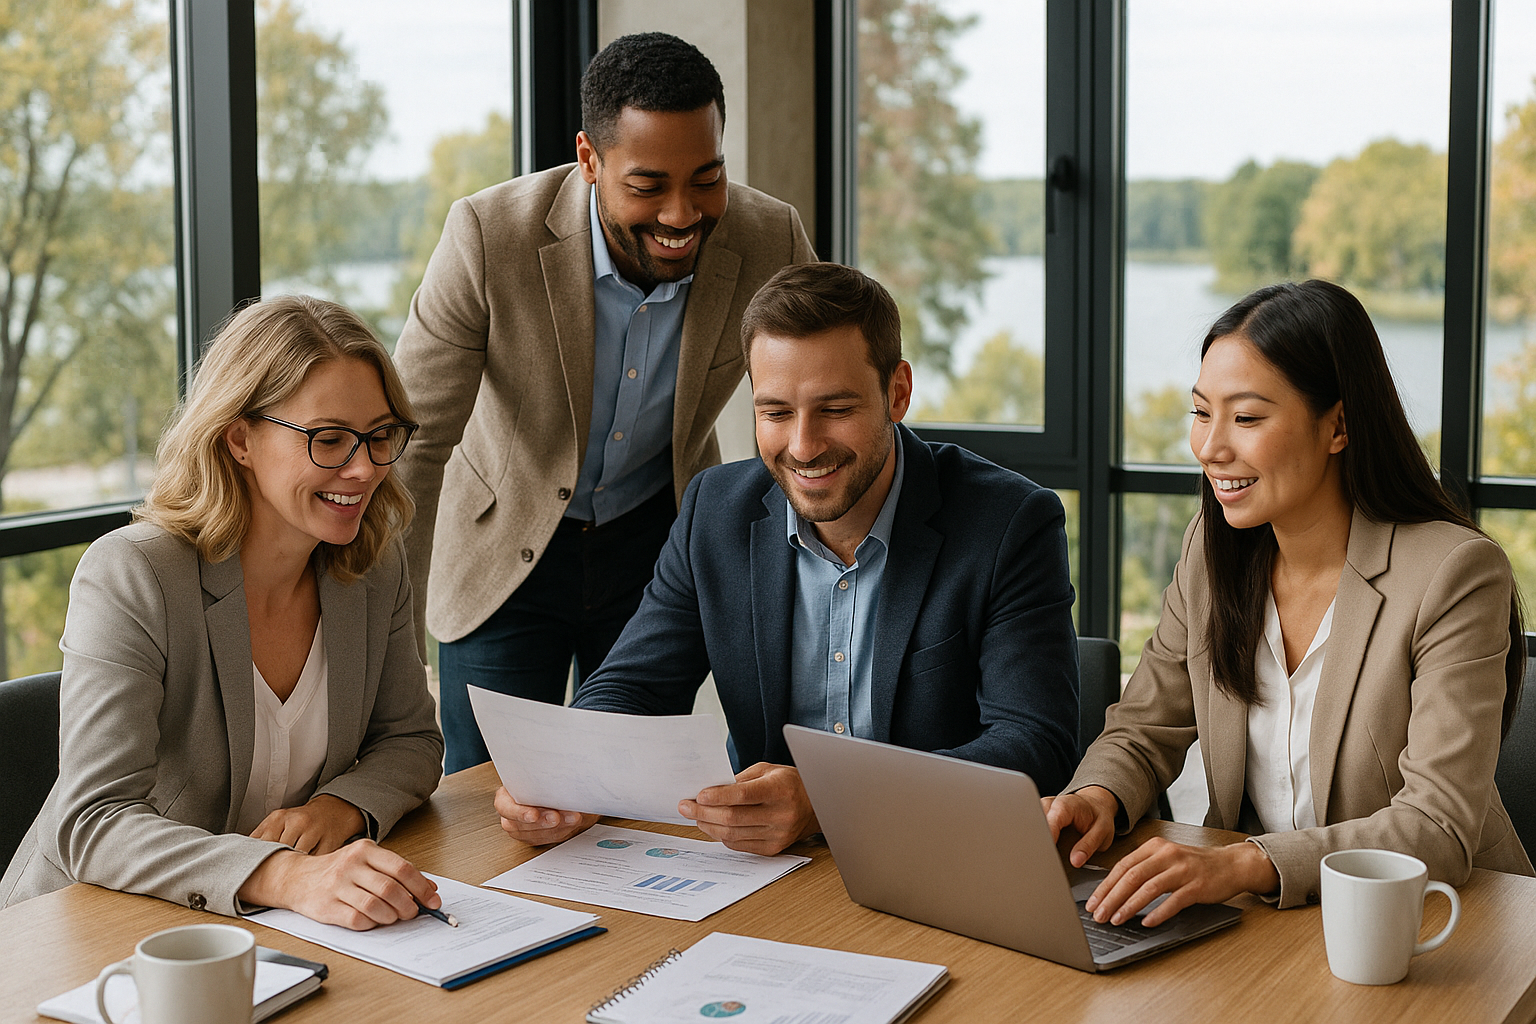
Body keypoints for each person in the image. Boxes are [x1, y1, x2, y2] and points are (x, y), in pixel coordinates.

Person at [494, 263, 1081, 856]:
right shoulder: (714, 511)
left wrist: (828, 800)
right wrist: (561, 776)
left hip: (935, 858)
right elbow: (635, 685)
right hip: (764, 872)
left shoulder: (1008, 522)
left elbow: (1033, 745)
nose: (802, 446)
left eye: (835, 409)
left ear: (897, 392)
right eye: (775, 413)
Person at [1046, 279, 1534, 928]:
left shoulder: (1454, 574)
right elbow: (1145, 726)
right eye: (1201, 412)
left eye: (1246, 418)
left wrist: (1245, 864)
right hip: (1276, 926)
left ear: (1337, 426)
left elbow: (1437, 824)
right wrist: (1096, 795)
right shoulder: (1212, 550)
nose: (1211, 447)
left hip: (1443, 923)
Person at [393, 32, 817, 773]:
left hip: (654, 544)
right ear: (589, 159)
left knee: (630, 790)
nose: (683, 215)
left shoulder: (769, 235)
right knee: (485, 797)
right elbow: (413, 446)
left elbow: (824, 391)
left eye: (707, 177)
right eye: (649, 186)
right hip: (503, 548)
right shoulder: (488, 236)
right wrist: (377, 635)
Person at [1, 296, 446, 930]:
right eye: (329, 440)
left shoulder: (373, 565)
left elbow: (409, 741)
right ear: (239, 437)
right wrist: (283, 875)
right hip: (90, 932)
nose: (364, 468)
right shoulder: (132, 575)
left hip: (265, 929)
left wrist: (339, 807)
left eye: (379, 436)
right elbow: (92, 822)